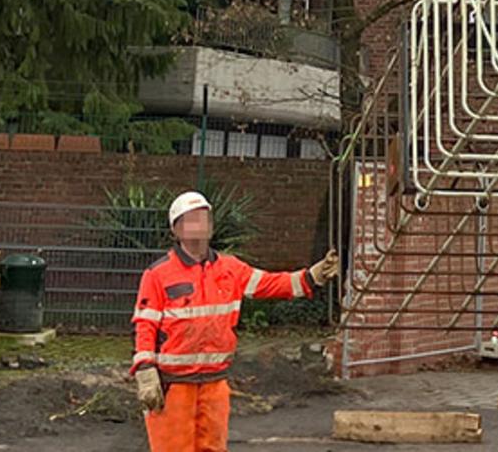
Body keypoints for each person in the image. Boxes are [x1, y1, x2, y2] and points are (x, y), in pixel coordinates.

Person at [131, 190, 341, 452]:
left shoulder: (231, 269)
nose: (199, 225)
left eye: (203, 218)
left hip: (214, 383)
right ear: (176, 229)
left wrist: (312, 277)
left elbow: (271, 284)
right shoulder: (157, 275)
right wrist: (145, 370)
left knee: (214, 447)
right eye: (191, 219)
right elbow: (145, 324)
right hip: (173, 385)